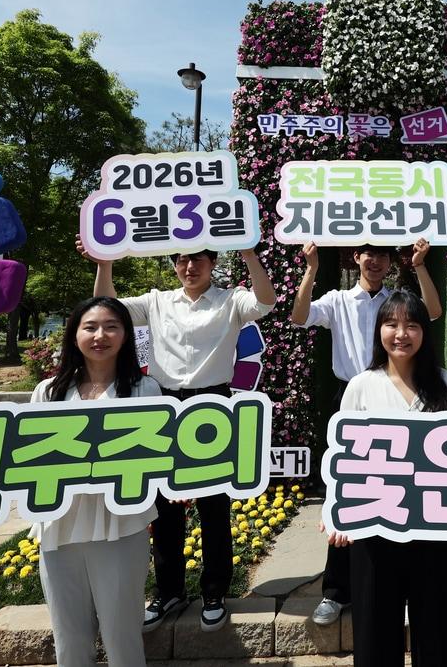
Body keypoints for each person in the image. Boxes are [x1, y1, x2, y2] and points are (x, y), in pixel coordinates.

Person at [79, 238, 276, 633]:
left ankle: (215, 590)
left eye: (198, 259)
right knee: (165, 505)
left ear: (212, 261)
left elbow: (266, 302)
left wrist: (250, 253)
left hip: (212, 405)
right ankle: (170, 591)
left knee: (213, 502)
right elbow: (107, 308)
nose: (190, 266)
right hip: (164, 403)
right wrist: (104, 264)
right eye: (182, 259)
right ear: (174, 264)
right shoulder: (157, 301)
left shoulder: (231, 299)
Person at [290, 240, 442, 626]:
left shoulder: (397, 303)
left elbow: (434, 312)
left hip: (397, 397)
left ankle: (402, 590)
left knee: (402, 491)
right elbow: (299, 317)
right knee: (348, 490)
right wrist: (310, 268)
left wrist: (420, 265)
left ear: (391, 262)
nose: (375, 260)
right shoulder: (338, 300)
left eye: (383, 255)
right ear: (356, 258)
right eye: (367, 254)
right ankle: (336, 591)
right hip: (353, 398)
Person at [333, 290, 447, 667]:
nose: (401, 334)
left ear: (424, 331)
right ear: (380, 330)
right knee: (375, 633)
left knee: (435, 630)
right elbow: (345, 458)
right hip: (375, 530)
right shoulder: (361, 385)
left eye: (411, 325)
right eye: (391, 324)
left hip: (434, 529)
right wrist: (338, 513)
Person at [31, 297, 162, 667]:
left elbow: (154, 459)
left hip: (121, 523)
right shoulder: (48, 392)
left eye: (111, 326)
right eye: (89, 327)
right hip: (58, 524)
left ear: (126, 336)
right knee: (69, 637)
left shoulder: (144, 390)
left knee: (122, 635)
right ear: (74, 336)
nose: (100, 335)